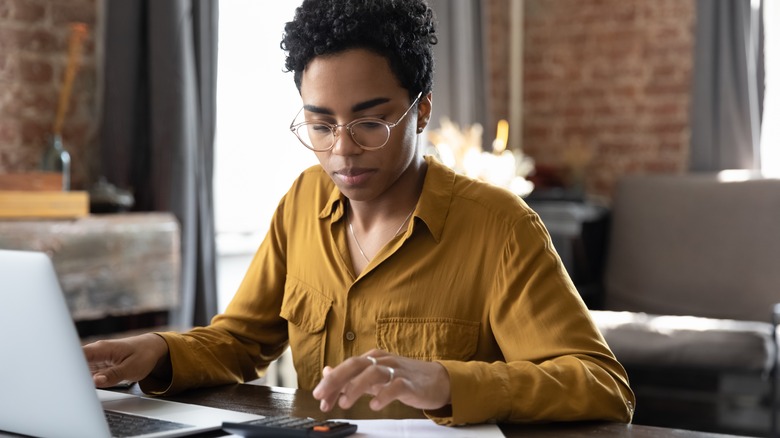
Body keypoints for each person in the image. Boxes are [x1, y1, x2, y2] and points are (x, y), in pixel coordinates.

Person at [84, 0, 635, 426]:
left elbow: (601, 385)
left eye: (370, 123)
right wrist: (155, 351)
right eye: (320, 125)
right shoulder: (301, 202)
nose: (342, 151)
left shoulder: (500, 228)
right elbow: (240, 343)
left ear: (421, 112)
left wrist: (449, 383)